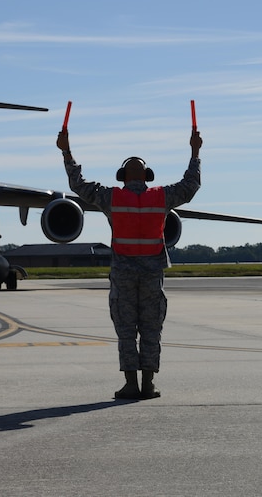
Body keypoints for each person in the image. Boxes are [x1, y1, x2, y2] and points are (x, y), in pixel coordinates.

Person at [56, 126, 202, 400]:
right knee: (151, 328)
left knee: (126, 329)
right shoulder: (161, 196)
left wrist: (66, 150)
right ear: (147, 177)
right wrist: (195, 151)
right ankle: (148, 384)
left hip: (123, 274)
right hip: (151, 273)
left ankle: (131, 383)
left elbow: (78, 184)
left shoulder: (112, 197)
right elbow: (190, 185)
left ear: (122, 177)